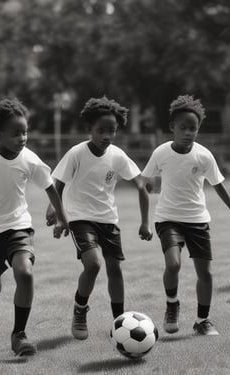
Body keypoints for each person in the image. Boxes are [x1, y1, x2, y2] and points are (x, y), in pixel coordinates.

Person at [0, 98, 68, 356]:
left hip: (18, 226)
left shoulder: (29, 159)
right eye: (16, 133)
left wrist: (62, 217)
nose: (22, 137)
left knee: (25, 273)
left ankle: (19, 334)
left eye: (25, 132)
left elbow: (50, 187)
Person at [46, 96, 153, 341]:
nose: (107, 136)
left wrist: (145, 222)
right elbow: (57, 182)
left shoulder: (117, 156)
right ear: (90, 129)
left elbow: (141, 186)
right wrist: (55, 211)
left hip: (108, 219)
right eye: (101, 130)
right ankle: (80, 310)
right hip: (80, 217)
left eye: (112, 131)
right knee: (93, 264)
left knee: (115, 269)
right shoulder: (77, 153)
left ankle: (120, 322)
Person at [143, 95, 230, 336]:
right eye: (183, 127)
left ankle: (203, 320)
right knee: (173, 263)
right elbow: (146, 180)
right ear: (172, 128)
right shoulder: (161, 153)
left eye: (193, 128)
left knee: (205, 273)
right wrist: (151, 188)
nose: (188, 132)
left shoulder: (204, 156)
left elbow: (219, 185)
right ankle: (172, 304)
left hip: (198, 220)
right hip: (167, 218)